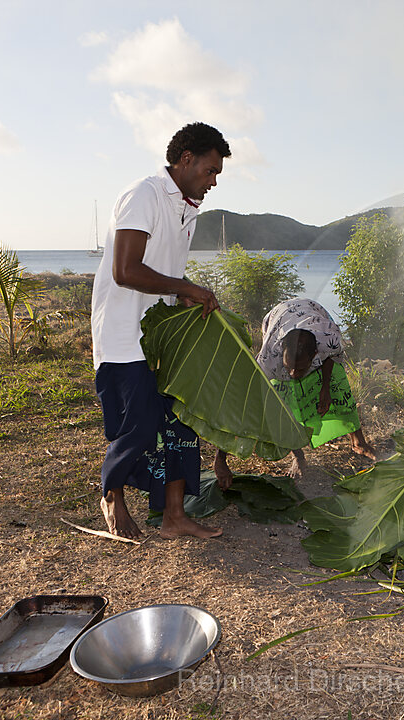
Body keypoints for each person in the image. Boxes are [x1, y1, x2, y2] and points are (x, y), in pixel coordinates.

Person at [90, 122, 231, 540]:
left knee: (181, 420)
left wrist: (183, 296)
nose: (213, 181)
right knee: (138, 424)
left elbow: (165, 274)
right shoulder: (144, 194)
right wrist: (184, 286)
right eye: (210, 171)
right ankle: (112, 495)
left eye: (217, 175)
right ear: (186, 160)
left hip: (161, 336)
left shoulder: (187, 210)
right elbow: (125, 270)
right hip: (123, 335)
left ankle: (174, 514)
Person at [214, 297, 377, 486]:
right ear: (281, 354)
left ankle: (358, 442)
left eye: (300, 369)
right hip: (277, 318)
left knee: (338, 385)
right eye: (289, 367)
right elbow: (243, 401)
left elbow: (332, 356)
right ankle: (298, 456)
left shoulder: (328, 339)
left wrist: (325, 387)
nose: (293, 374)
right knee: (282, 402)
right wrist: (220, 458)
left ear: (315, 355)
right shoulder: (269, 359)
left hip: (314, 312)